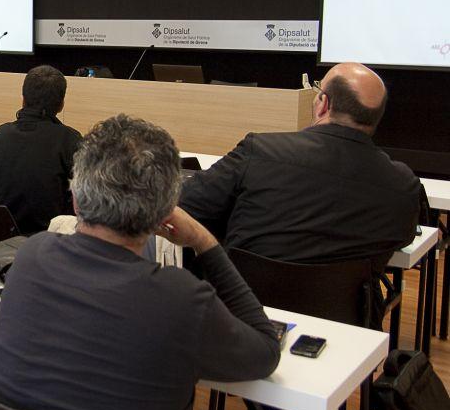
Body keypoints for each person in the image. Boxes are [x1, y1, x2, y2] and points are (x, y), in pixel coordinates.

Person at [0, 115, 280, 410]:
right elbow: (266, 352)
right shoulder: (181, 299)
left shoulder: (31, 255)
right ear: (165, 212)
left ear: (76, 198)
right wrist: (204, 240)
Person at [180, 62, 421, 266]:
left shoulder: (260, 150)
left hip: (244, 308)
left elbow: (187, 201)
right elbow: (401, 239)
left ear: (323, 104)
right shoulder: (402, 185)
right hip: (342, 317)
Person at [0, 65, 82, 234]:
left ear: (23, 99)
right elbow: (85, 194)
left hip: (1, 239)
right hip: (51, 241)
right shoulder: (70, 140)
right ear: (61, 105)